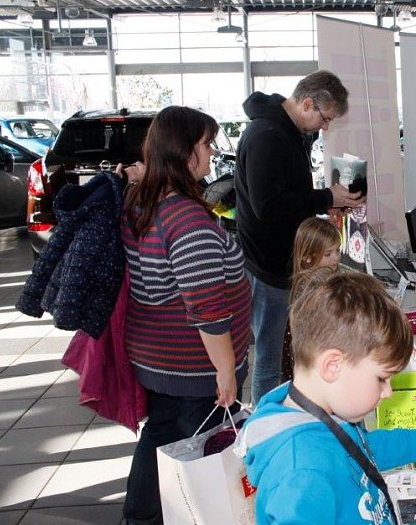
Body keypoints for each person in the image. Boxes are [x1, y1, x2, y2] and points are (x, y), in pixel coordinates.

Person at [238, 269, 416, 523]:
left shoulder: (313, 410)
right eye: (381, 379)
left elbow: (364, 448)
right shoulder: (302, 474)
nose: (388, 392)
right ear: (333, 366)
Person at [121, 106, 251, 524]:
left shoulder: (143, 199)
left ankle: (141, 517)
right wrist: (226, 370)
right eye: (207, 144)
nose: (213, 154)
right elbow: (207, 309)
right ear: (184, 152)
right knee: (196, 455)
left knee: (161, 440)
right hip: (194, 367)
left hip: (159, 357)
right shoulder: (187, 218)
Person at [235, 70, 365, 405]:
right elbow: (270, 206)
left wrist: (325, 205)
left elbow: (289, 193)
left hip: (281, 261)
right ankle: (263, 427)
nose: (326, 128)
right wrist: (325, 199)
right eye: (325, 118)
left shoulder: (286, 132)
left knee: (281, 351)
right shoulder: (267, 136)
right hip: (268, 266)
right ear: (307, 103)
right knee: (269, 355)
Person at [280, 217, 342, 382]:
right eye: (328, 254)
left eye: (338, 250)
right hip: (312, 364)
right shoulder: (316, 289)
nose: (336, 258)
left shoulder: (310, 279)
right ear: (308, 257)